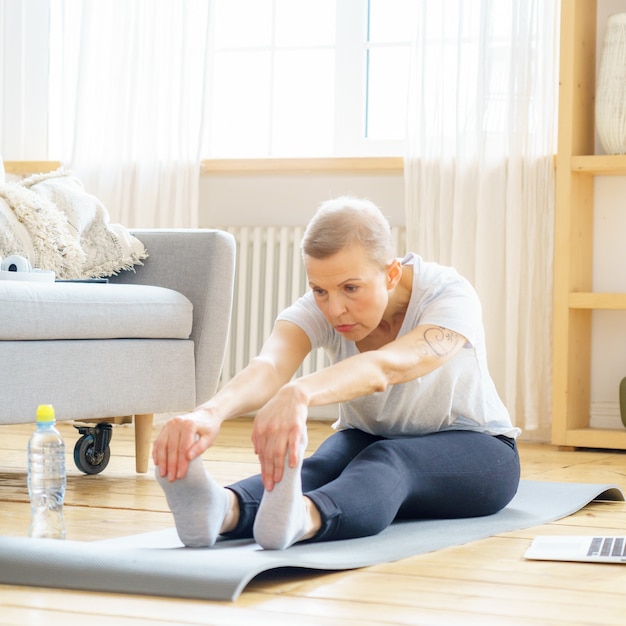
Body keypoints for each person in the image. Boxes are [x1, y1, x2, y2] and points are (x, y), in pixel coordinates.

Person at [153, 196, 521, 550]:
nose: (335, 308)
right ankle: (221, 510)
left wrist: (300, 392)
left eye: (351, 288)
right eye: (320, 290)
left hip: (477, 447)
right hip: (369, 436)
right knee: (319, 466)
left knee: (389, 462)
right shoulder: (322, 303)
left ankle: (305, 519)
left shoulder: (448, 295)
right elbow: (269, 366)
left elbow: (388, 366)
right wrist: (209, 412)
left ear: (391, 273)